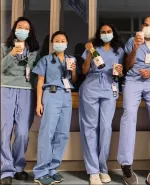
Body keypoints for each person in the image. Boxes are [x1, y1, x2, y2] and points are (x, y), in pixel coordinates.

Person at [117, 16, 150, 185]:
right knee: (129, 114)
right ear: (141, 26)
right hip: (133, 80)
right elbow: (127, 65)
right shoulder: (133, 40)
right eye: (146, 25)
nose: (148, 27)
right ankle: (126, 164)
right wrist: (135, 48)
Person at [79, 23, 124, 185]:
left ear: (113, 33)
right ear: (99, 34)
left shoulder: (119, 50)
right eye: (103, 32)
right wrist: (90, 52)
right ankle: (93, 171)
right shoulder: (92, 47)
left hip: (110, 86)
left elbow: (121, 71)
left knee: (105, 127)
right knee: (90, 128)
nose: (106, 34)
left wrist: (119, 72)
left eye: (109, 31)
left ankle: (103, 167)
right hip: (91, 86)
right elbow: (84, 71)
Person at [32, 31, 77, 185]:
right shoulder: (46, 60)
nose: (60, 43)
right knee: (47, 133)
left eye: (63, 40)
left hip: (67, 94)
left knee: (62, 134)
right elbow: (40, 81)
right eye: (56, 40)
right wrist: (39, 102)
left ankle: (52, 169)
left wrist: (73, 69)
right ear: (52, 43)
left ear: (67, 43)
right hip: (50, 94)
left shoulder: (71, 59)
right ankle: (41, 171)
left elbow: (74, 80)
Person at [1, 16, 39, 185]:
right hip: (6, 89)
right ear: (14, 29)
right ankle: (5, 170)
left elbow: (37, 74)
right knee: (4, 132)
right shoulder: (4, 47)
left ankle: (18, 167)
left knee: (22, 132)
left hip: (27, 92)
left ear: (30, 32)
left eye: (26, 28)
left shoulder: (33, 51)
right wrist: (11, 54)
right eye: (20, 27)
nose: (22, 30)